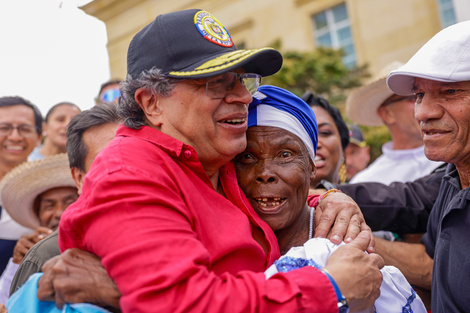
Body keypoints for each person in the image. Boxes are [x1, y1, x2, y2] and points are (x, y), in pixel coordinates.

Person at [36, 9, 383, 313]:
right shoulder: (129, 174)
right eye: (216, 84)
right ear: (152, 103)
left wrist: (324, 199)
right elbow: (181, 303)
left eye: (242, 81)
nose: (244, 97)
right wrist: (331, 289)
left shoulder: (215, 160)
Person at [376, 20, 470, 312]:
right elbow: (433, 264)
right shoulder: (452, 182)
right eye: (419, 95)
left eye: (450, 92)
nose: (424, 112)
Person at [9, 103, 122, 299]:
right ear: (79, 179)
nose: (125, 170)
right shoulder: (44, 258)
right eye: (105, 162)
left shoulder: (182, 227)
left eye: (136, 155)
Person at [346, 62, 443, 184]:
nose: (426, 107)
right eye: (415, 97)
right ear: (387, 114)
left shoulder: (456, 157)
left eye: (424, 95)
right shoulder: (367, 182)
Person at [0, 153, 78, 304]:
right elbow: (5, 303)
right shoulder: (27, 249)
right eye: (49, 205)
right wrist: (19, 262)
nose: (59, 213)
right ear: (38, 213)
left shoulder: (95, 245)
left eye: (69, 202)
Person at [0, 96, 42, 274]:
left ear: (39, 136)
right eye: (4, 128)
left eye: (24, 129)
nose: (15, 137)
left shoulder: (49, 192)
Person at [301, 91, 349, 186]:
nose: (315, 145)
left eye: (325, 132)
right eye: (303, 135)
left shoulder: (366, 197)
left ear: (342, 145)